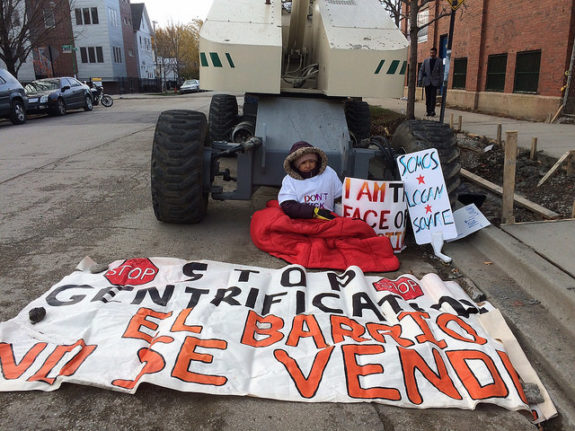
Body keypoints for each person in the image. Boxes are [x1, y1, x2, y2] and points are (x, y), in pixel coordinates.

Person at [278, 141, 342, 220]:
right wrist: (313, 212)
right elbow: (287, 205)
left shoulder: (329, 173)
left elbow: (340, 197)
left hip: (329, 217)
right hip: (303, 219)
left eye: (311, 161)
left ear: (316, 161)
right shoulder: (290, 179)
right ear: (296, 165)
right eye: (303, 163)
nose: (308, 166)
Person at [418, 47, 444, 117]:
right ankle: (428, 111)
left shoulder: (439, 61)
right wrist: (420, 79)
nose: (432, 54)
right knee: (428, 97)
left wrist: (441, 82)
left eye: (433, 53)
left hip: (435, 82)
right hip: (427, 82)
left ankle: (432, 111)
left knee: (433, 97)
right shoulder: (425, 61)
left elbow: (441, 72)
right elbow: (421, 70)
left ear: (436, 53)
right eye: (431, 53)